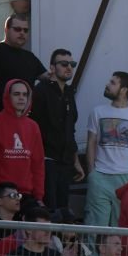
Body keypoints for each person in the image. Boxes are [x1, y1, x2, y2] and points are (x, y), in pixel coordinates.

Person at [84, 71, 128, 228]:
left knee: (121, 226)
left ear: (124, 90)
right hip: (100, 175)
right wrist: (92, 173)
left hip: (126, 176)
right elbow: (91, 143)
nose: (107, 85)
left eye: (112, 83)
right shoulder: (97, 112)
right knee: (95, 225)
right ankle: (92, 247)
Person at [0, 79, 45, 211]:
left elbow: (38, 164)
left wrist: (39, 196)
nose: (21, 98)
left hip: (26, 195)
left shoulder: (33, 126)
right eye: (16, 94)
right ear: (7, 96)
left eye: (25, 95)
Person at [30, 49, 84, 211]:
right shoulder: (40, 91)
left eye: (72, 64)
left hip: (65, 162)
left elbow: (70, 130)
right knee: (48, 208)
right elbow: (33, 127)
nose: (69, 67)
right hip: (46, 160)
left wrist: (76, 161)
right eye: (64, 64)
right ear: (52, 68)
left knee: (63, 209)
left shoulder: (69, 92)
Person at [0, 14, 45, 112]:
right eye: (17, 29)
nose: (22, 33)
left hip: (23, 116)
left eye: (25, 30)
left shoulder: (30, 57)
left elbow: (49, 78)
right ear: (6, 30)